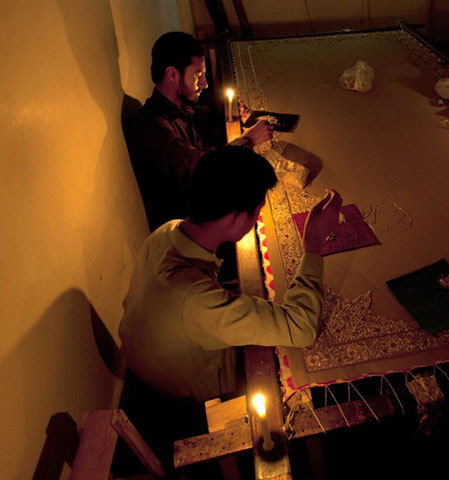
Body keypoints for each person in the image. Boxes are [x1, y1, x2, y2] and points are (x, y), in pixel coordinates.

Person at [119, 146, 343, 402]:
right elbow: (301, 327)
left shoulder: (166, 231)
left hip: (148, 352)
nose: (258, 217)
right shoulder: (198, 300)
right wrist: (313, 245)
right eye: (258, 210)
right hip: (189, 387)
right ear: (237, 219)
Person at [129, 31, 275, 231]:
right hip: (190, 225)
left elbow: (196, 117)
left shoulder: (174, 106)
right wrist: (247, 140)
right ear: (172, 73)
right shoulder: (151, 126)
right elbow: (199, 170)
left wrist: (225, 109)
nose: (204, 84)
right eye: (198, 75)